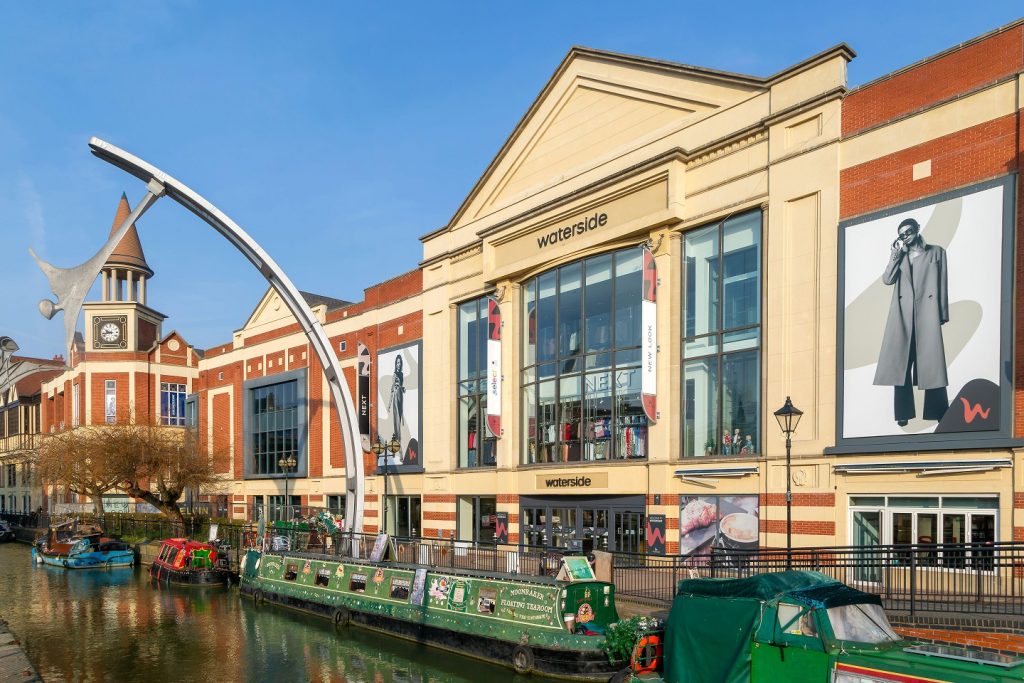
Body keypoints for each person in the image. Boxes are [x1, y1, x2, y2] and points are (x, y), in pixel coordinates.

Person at [873, 217, 949, 425]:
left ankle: (938, 410)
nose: (905, 237)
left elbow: (942, 284)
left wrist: (942, 314)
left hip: (927, 313)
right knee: (901, 365)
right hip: (903, 316)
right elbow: (887, 280)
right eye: (901, 234)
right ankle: (903, 414)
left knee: (932, 364)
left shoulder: (936, 252)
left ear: (917, 230)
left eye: (908, 232)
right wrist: (894, 256)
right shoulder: (901, 256)